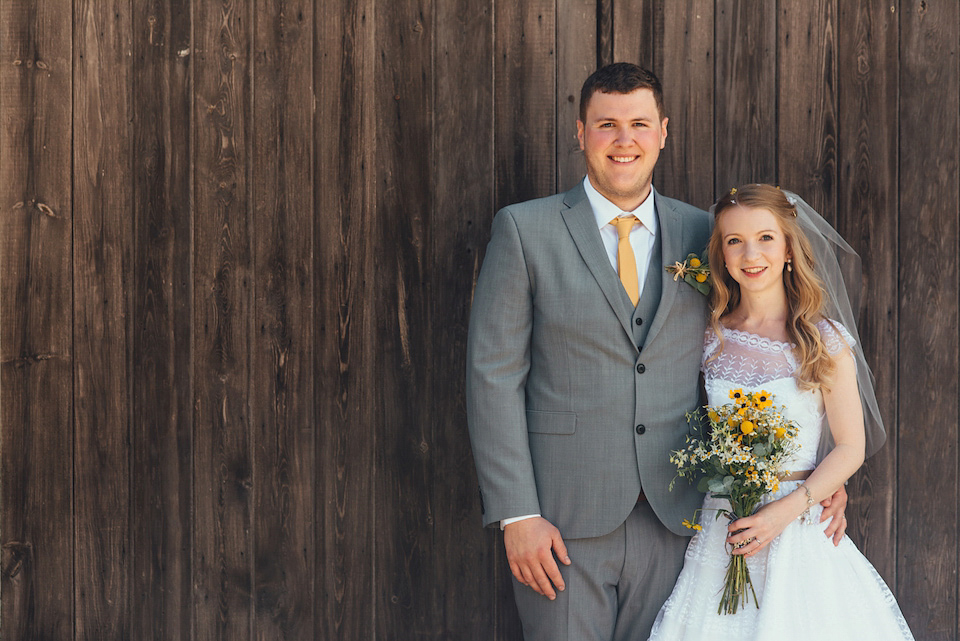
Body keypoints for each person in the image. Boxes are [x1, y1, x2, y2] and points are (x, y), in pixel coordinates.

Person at [465, 65, 848, 641]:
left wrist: (810, 475)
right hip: (561, 520)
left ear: (663, 132)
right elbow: (492, 376)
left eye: (640, 124)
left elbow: (757, 349)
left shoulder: (705, 233)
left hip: (682, 521)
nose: (625, 140)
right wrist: (517, 513)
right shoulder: (524, 230)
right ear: (580, 133)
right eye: (607, 125)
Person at [648, 184, 914, 640]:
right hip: (725, 526)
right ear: (722, 255)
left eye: (766, 237)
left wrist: (785, 511)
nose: (751, 253)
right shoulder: (706, 335)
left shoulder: (821, 339)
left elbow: (850, 447)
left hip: (800, 530)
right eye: (735, 241)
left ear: (789, 247)